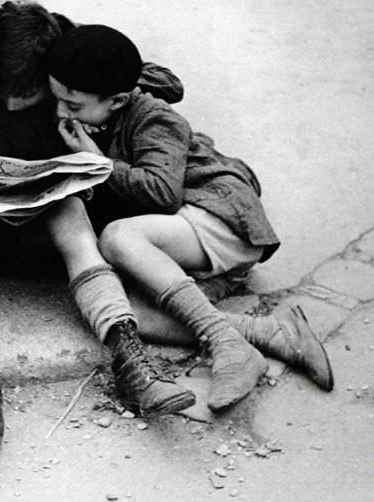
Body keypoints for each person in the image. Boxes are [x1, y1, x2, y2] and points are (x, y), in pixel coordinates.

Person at [0, 0, 197, 453]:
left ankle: (132, 361)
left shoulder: (49, 58)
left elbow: (124, 74)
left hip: (35, 214)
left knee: (72, 214)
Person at [47, 24, 333, 411]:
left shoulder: (154, 117)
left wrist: (98, 163)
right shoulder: (100, 109)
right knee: (127, 312)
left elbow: (163, 194)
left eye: (74, 105)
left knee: (117, 238)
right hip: (188, 233)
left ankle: (225, 343)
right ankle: (268, 333)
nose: (62, 112)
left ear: (115, 100)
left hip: (219, 215)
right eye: (58, 99)